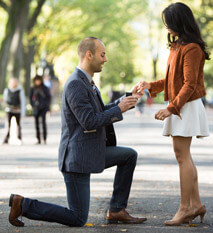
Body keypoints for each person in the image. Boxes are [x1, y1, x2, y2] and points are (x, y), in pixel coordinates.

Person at [9, 37, 147, 227]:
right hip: (77, 159)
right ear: (89, 55)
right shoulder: (75, 83)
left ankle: (116, 209)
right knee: (78, 218)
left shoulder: (86, 81)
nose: (105, 59)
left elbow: (98, 111)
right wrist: (119, 109)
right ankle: (22, 204)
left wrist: (128, 99)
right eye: (102, 54)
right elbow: (88, 121)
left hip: (91, 151)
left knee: (129, 156)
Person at [138, 2, 210, 226]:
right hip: (182, 105)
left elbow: (189, 84)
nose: (167, 26)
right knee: (185, 156)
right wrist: (151, 85)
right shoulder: (178, 46)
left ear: (180, 22)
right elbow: (172, 81)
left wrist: (171, 108)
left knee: (181, 156)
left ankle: (185, 208)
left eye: (169, 22)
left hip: (185, 106)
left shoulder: (192, 48)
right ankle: (195, 204)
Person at [2, 77, 26, 144]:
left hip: (17, 110)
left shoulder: (20, 91)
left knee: (18, 125)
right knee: (8, 125)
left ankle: (19, 138)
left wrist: (23, 112)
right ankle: (6, 138)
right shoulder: (7, 90)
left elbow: (22, 101)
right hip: (9, 110)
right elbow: (5, 100)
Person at [29, 75, 51, 144]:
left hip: (43, 108)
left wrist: (46, 106)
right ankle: (38, 139)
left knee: (43, 123)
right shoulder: (33, 88)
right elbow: (30, 98)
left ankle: (44, 138)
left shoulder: (45, 88)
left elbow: (48, 97)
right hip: (36, 108)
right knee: (36, 123)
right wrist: (33, 105)